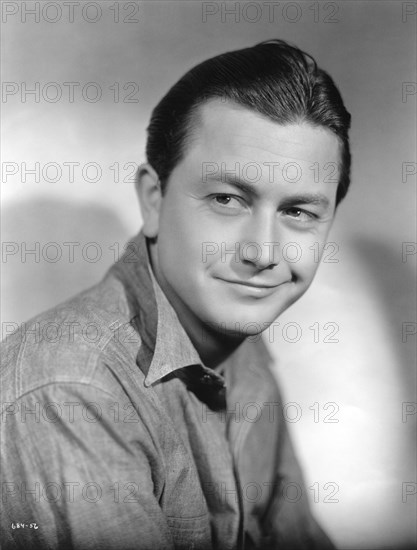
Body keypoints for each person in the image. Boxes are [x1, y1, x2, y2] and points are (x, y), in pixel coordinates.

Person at [0, 39, 351, 549]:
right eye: (227, 199)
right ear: (153, 200)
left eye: (298, 211)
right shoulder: (69, 390)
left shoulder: (244, 356)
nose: (262, 252)